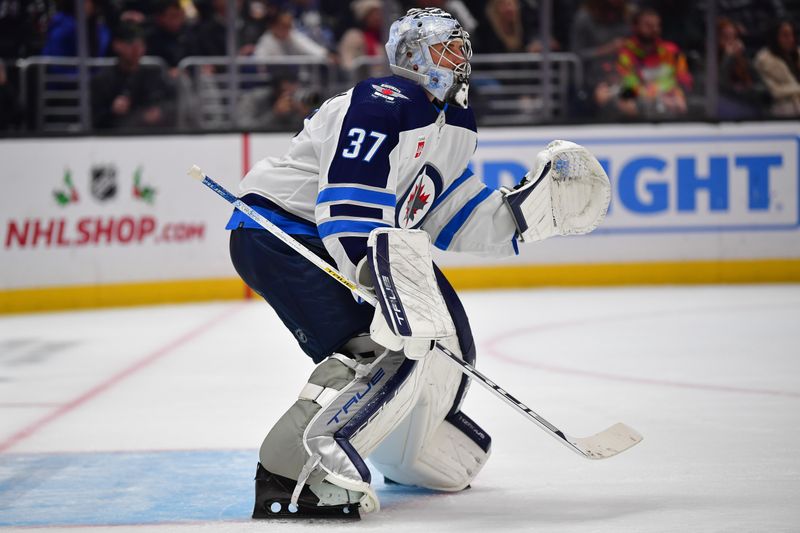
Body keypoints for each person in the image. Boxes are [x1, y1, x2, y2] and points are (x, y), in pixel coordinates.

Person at [226, 7, 610, 520]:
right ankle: (293, 476)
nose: (462, 57)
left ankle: (406, 446)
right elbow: (348, 202)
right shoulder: (386, 100)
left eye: (461, 47)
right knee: (380, 347)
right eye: (450, 48)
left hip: (332, 235)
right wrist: (373, 275)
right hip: (283, 231)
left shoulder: (452, 122)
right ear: (416, 56)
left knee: (447, 338)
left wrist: (521, 216)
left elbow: (445, 211)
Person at [90, 22, 176, 129]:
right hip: (115, 138)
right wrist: (112, 111)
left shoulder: (154, 74)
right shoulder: (103, 80)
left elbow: (172, 103)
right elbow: (94, 119)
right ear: (117, 45)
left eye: (140, 44)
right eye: (131, 44)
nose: (137, 49)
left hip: (153, 137)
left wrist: (160, 111)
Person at [615, 8, 693, 119]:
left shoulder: (671, 50)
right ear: (635, 27)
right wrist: (657, 97)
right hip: (642, 107)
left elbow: (685, 79)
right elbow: (629, 86)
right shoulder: (626, 54)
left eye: (657, 25)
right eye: (648, 26)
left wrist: (678, 94)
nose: (655, 29)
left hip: (673, 104)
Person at [754, 19, 800, 117]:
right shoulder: (764, 60)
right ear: (775, 37)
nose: (791, 39)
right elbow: (775, 91)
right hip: (782, 111)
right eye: (785, 35)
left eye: (792, 35)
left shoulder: (797, 54)